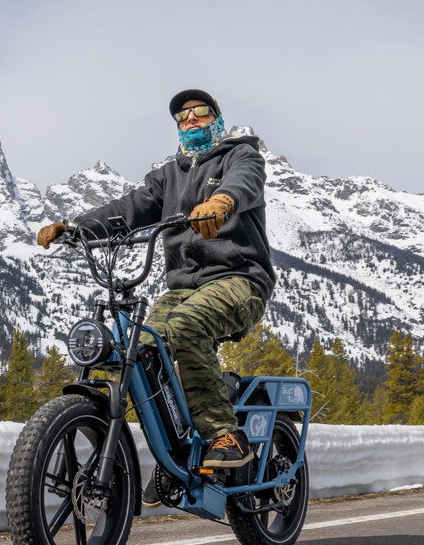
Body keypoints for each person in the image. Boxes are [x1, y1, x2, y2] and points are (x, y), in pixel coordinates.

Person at [36, 89, 275, 480]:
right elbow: (128, 209)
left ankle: (224, 435)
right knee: (140, 349)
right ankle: (178, 448)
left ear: (216, 117)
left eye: (200, 111)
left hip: (239, 279)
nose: (191, 119)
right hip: (183, 288)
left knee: (185, 328)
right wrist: (75, 227)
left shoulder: (240, 155)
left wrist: (222, 202)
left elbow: (244, 181)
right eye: (183, 116)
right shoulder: (168, 176)